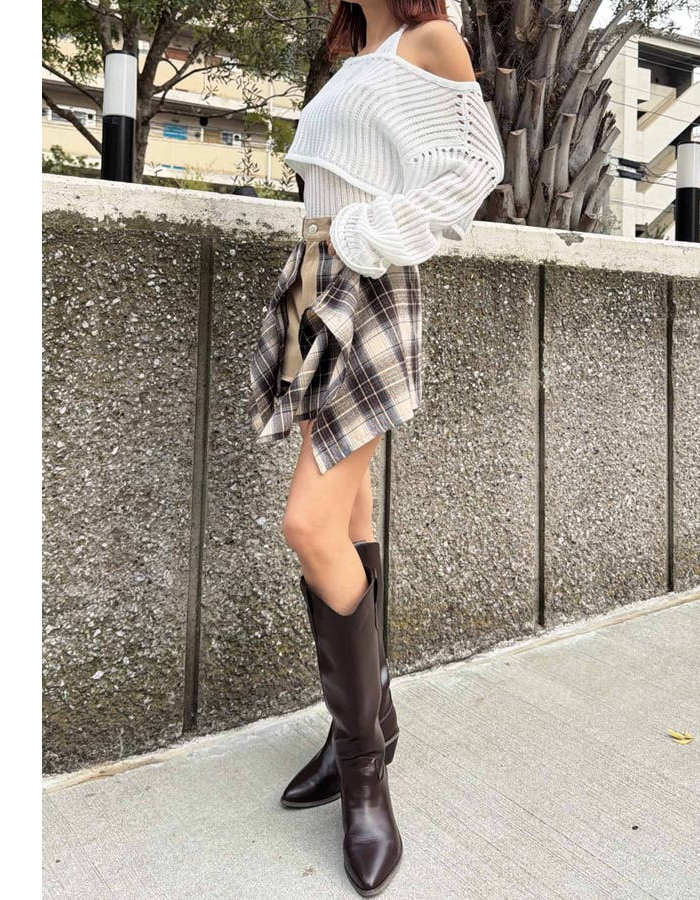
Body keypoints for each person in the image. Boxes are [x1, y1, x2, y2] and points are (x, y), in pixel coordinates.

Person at [247, 1, 504, 894]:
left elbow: (476, 165)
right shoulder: (358, 50)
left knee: (307, 525)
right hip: (316, 280)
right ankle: (362, 727)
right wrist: (327, 251)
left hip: (364, 284)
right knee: (349, 515)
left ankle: (364, 771)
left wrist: (365, 236)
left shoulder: (428, 39)